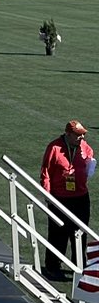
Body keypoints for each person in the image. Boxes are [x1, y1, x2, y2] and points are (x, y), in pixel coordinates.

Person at [40, 120, 95, 281]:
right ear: (68, 134)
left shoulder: (85, 147)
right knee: (58, 233)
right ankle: (53, 266)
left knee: (80, 232)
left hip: (80, 196)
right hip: (60, 198)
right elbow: (46, 172)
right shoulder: (54, 147)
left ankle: (79, 264)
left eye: (83, 134)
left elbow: (89, 160)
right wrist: (48, 195)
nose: (82, 137)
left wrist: (90, 165)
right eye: (78, 135)